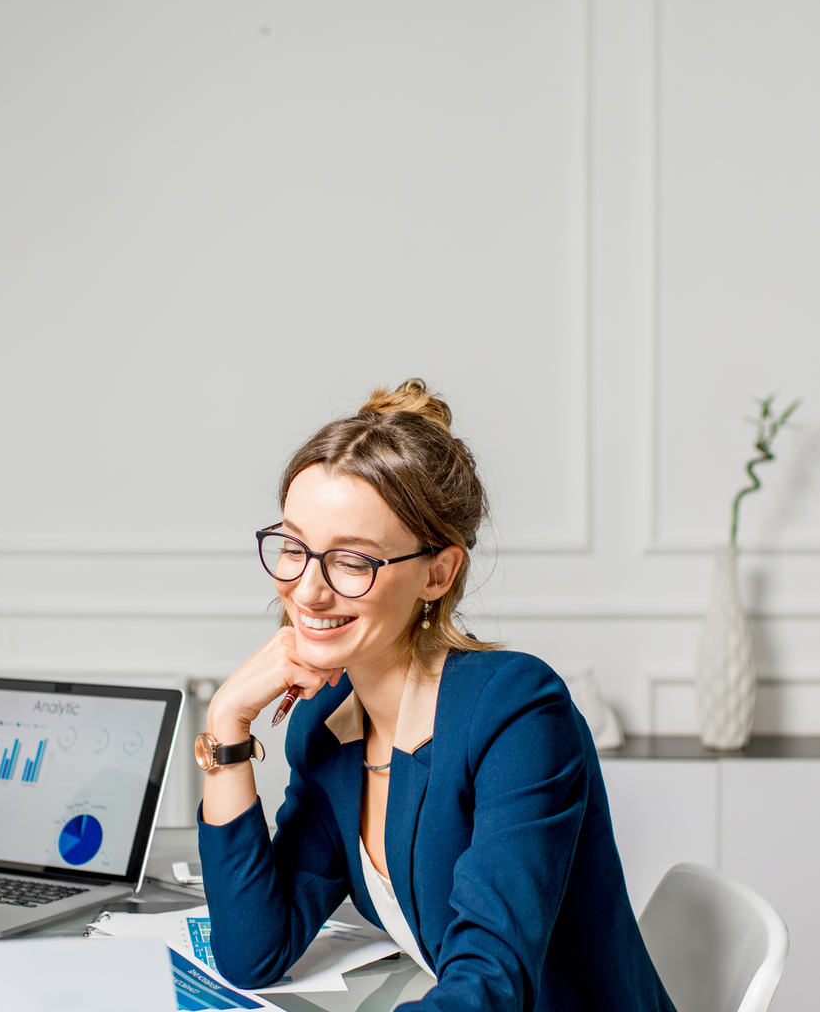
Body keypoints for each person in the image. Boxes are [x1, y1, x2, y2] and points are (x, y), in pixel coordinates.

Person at [196, 380, 675, 1011]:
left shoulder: (517, 711)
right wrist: (226, 727)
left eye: (352, 560)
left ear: (437, 573)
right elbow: (253, 951)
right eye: (295, 547)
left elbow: (490, 984)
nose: (308, 590)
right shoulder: (329, 725)